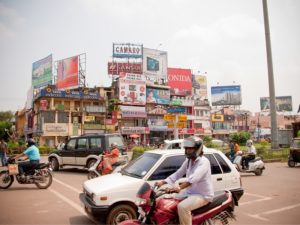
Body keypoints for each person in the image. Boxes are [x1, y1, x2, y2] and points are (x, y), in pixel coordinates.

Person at [155, 136, 214, 225]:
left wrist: (179, 187)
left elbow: (193, 179)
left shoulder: (204, 162)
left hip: (202, 195)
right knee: (166, 200)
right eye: (186, 148)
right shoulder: (189, 161)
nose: (187, 151)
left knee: (182, 207)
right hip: (189, 193)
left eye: (190, 149)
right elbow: (178, 173)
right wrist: (163, 182)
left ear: (197, 149)